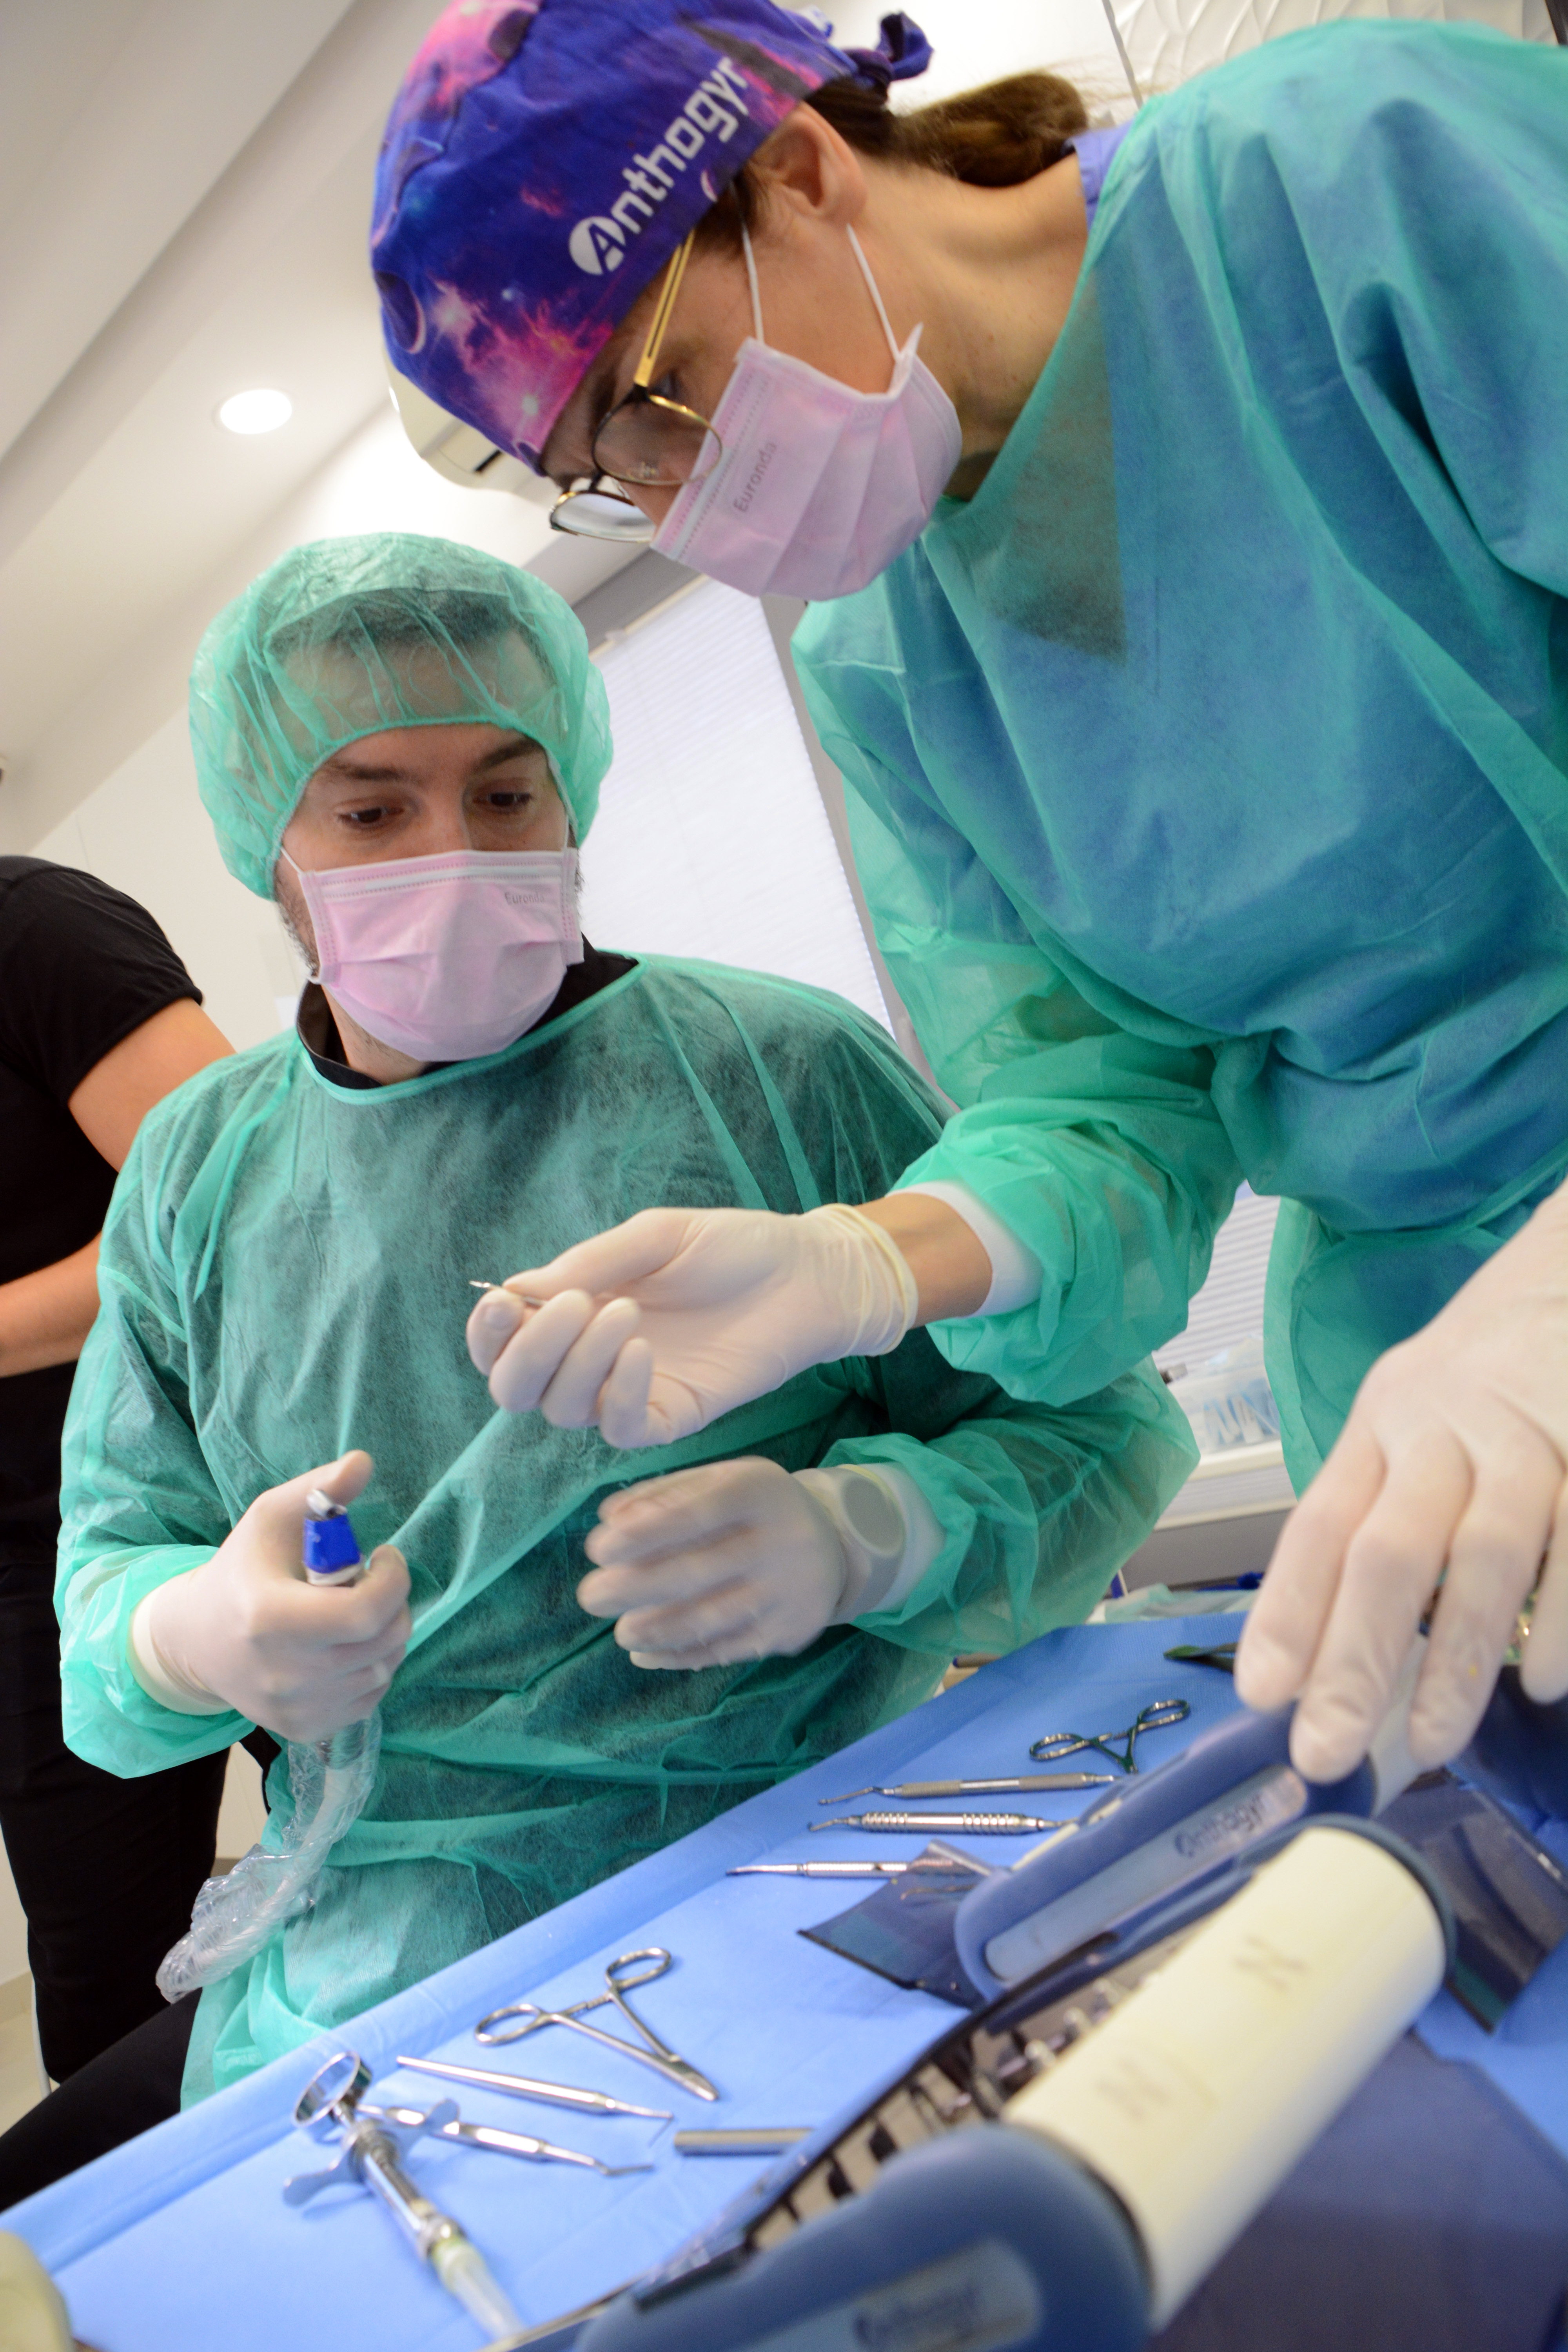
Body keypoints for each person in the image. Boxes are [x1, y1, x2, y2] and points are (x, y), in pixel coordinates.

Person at [370, 0, 1568, 1787]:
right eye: (614, 484)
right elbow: (1110, 1097)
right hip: (1426, 1408)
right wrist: (864, 1263)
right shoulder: (888, 658)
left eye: (658, 407)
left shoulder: (1353, 180)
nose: (680, 511)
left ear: (796, 167)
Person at [0, 531, 1191, 2198]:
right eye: (371, 812)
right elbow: (112, 1578)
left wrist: (865, 1533)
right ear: (269, 847)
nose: (452, 852)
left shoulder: (780, 1072)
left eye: (506, 794)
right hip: (373, 1971)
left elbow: (1097, 1430)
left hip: (804, 1881)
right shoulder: (197, 1170)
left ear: (575, 793)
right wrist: (200, 1632)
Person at [0, 857, 232, 2085]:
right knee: (105, 2002)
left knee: (434, 1835)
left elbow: (231, 1195)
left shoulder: (33, 931)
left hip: (226, 1493)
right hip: (33, 1582)